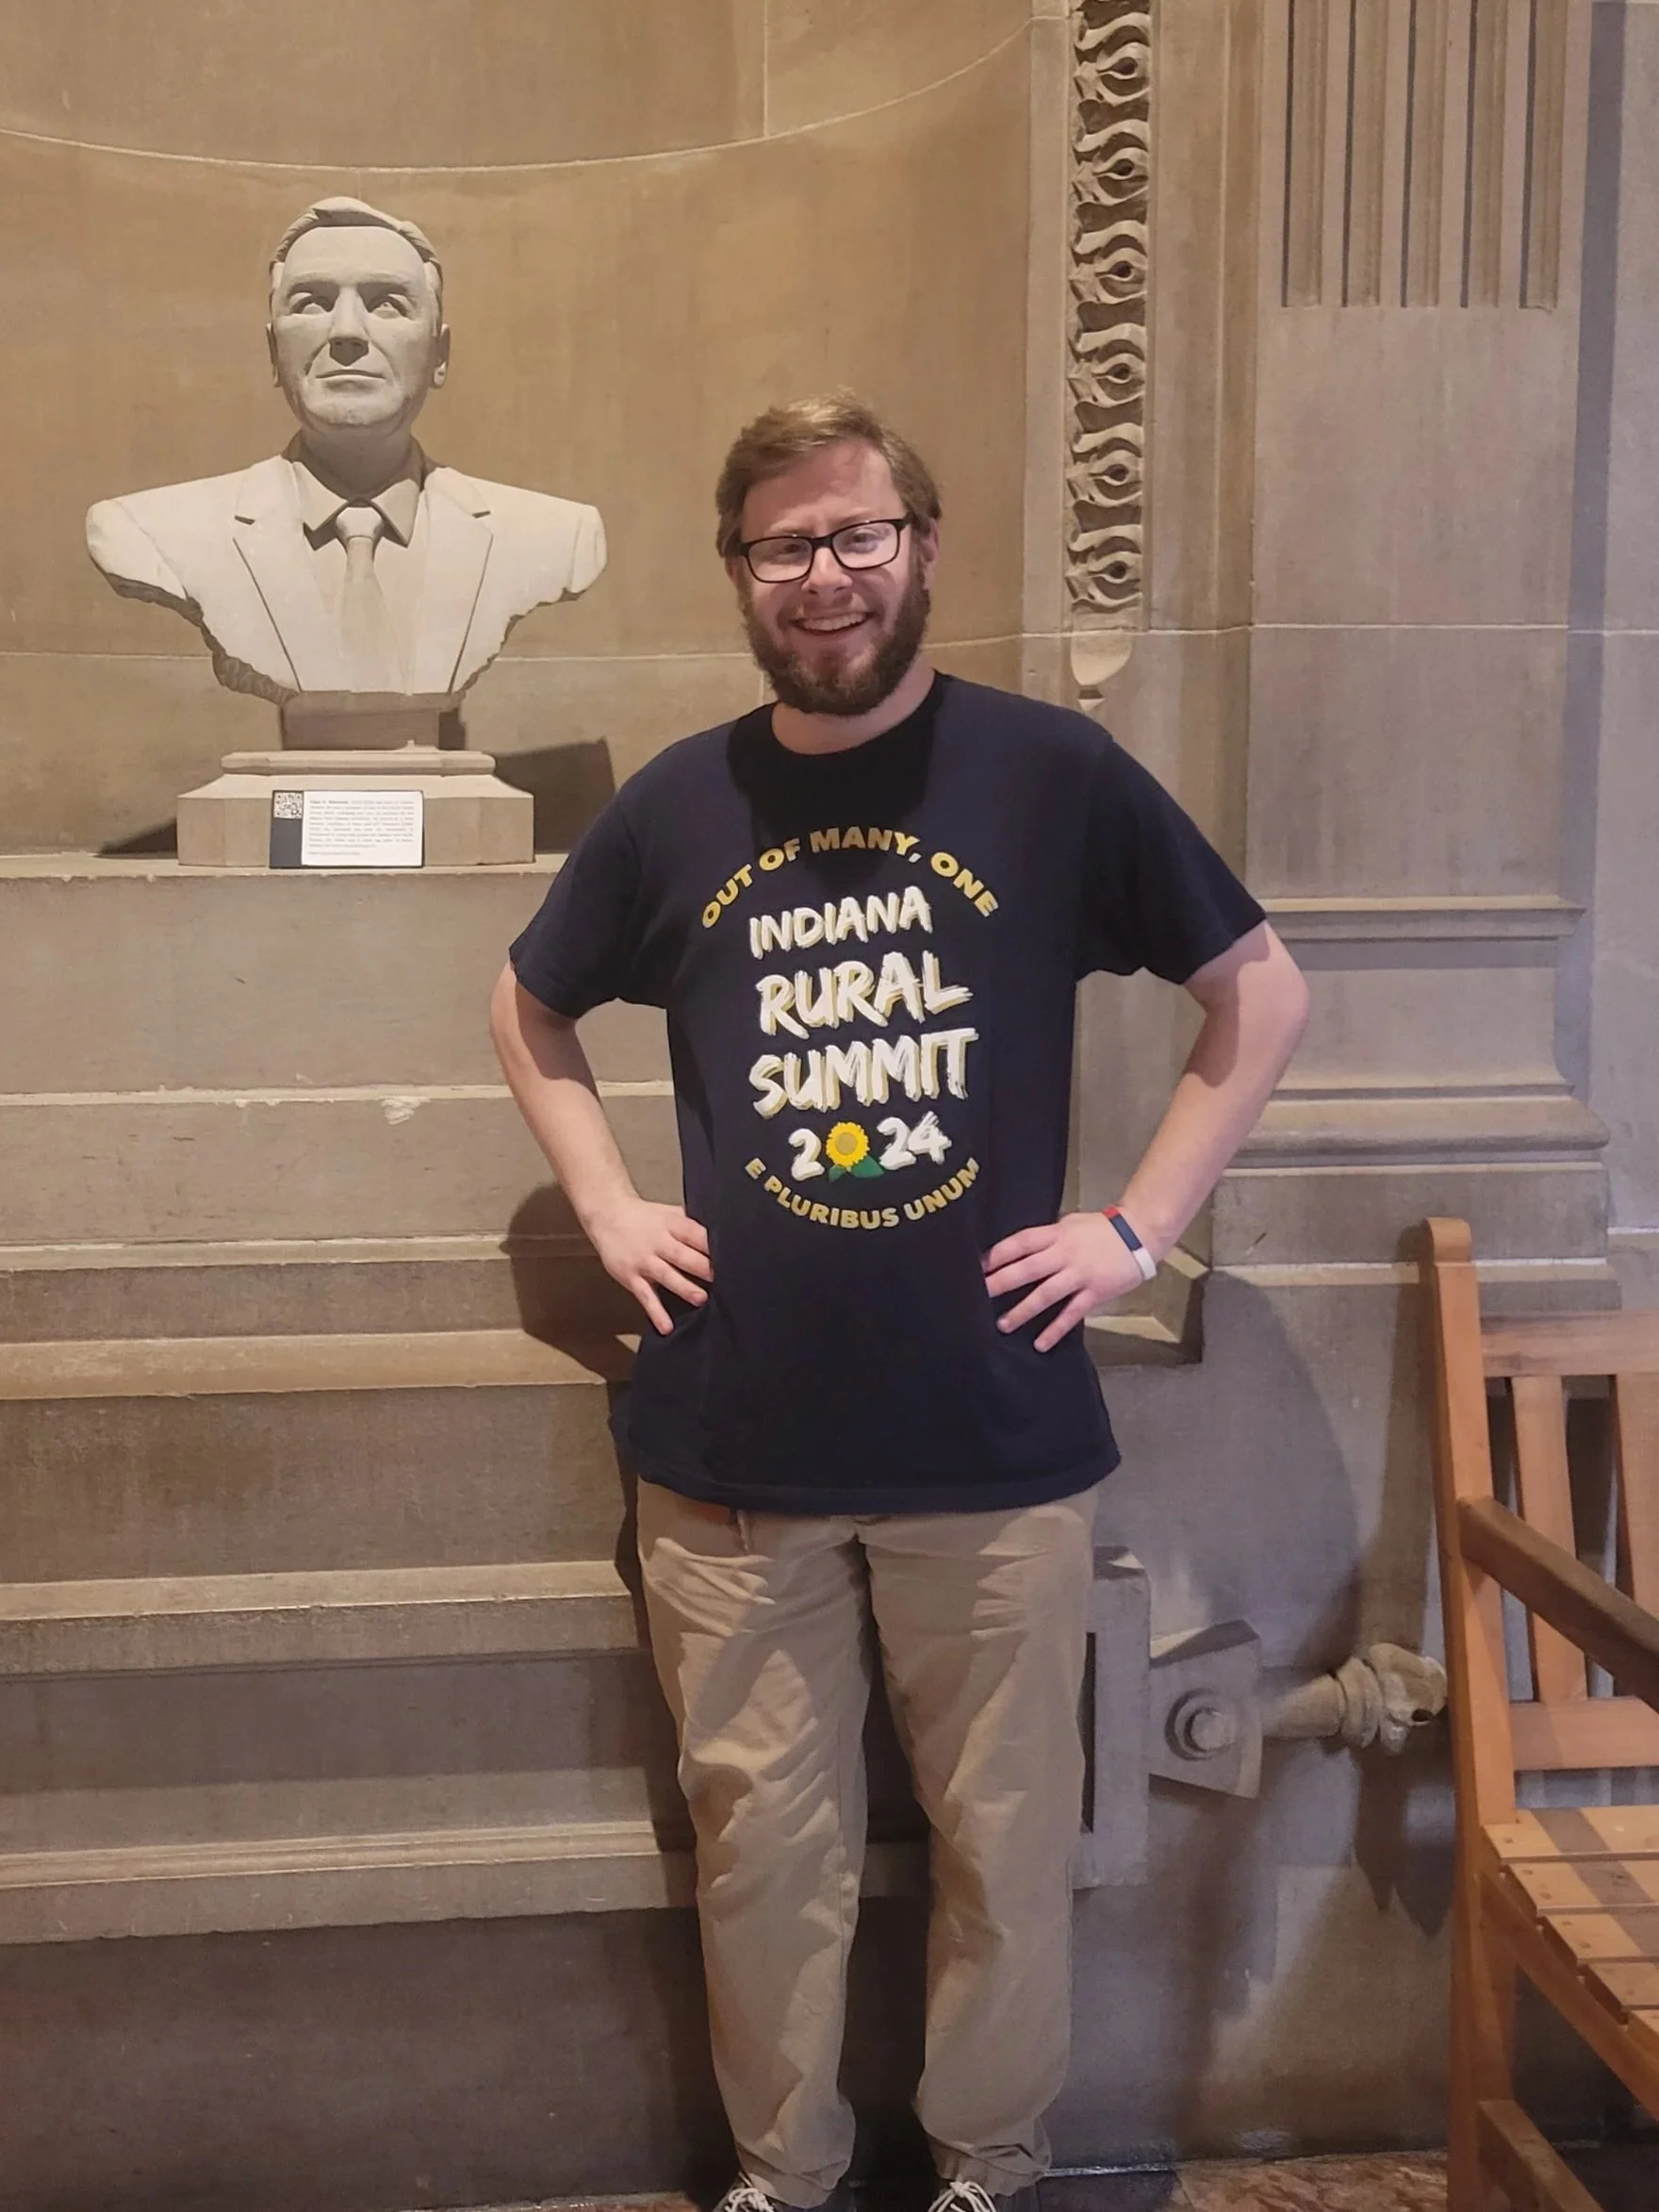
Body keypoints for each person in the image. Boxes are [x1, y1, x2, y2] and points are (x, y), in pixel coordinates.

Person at [490, 395, 1309, 2212]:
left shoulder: (1050, 775)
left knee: (1005, 1855)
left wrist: (1138, 1228)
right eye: (787, 545)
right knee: (759, 1858)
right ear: (741, 577)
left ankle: (990, 2169)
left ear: (925, 549)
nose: (828, 575)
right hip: (730, 1449)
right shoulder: (680, 802)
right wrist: (609, 1201)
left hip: (994, 1437)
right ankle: (784, 2177)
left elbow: (1256, 991)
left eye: (861, 535)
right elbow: (529, 1005)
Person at [86, 197, 603, 702]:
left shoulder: (557, 536)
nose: (347, 333)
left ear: (439, 355)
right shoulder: (146, 531)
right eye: (312, 304)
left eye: (387, 305)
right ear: (273, 353)